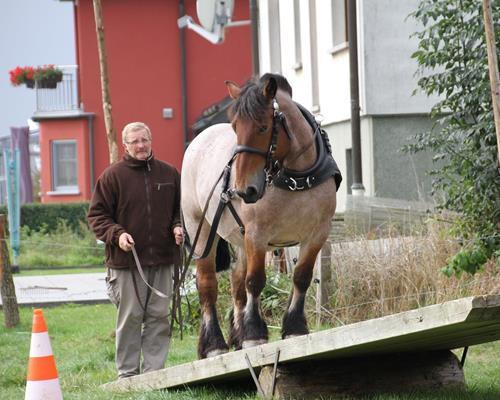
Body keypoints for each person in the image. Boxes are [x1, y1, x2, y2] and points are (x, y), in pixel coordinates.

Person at [87, 121, 183, 378]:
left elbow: (180, 210)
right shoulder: (112, 176)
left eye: (144, 140)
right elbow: (96, 216)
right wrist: (117, 235)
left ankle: (154, 374)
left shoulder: (170, 173)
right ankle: (128, 375)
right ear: (126, 145)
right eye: (135, 141)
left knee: (160, 317)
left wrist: (177, 226)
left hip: (163, 259)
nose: (141, 145)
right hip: (127, 262)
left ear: (151, 141)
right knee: (130, 318)